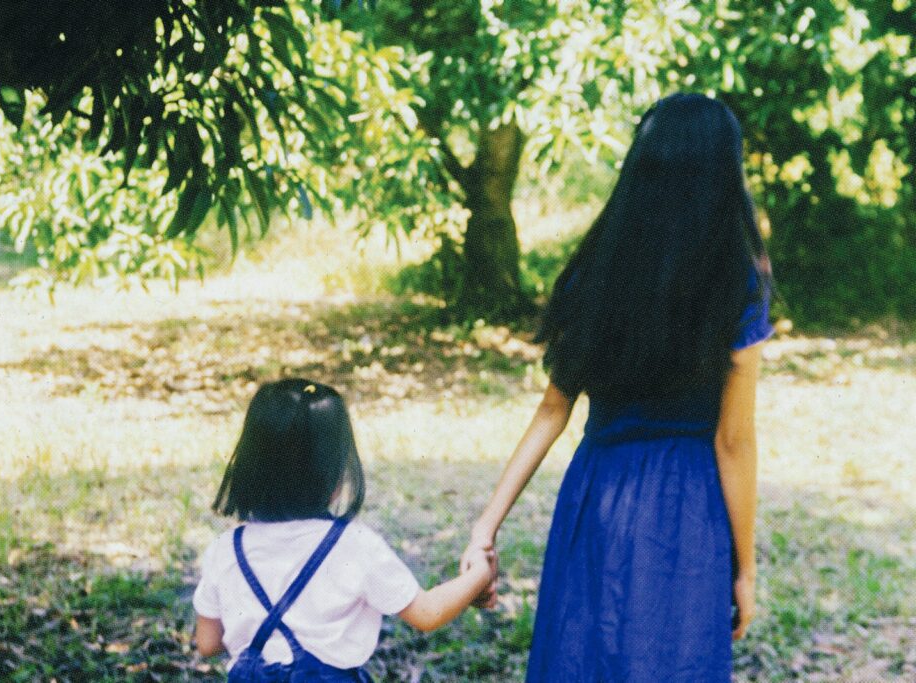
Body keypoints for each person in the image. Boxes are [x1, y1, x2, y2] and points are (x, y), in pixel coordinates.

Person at [461, 93, 774, 681]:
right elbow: (733, 443)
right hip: (688, 507)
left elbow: (553, 409)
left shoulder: (597, 268)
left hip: (597, 495)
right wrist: (745, 568)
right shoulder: (738, 280)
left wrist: (487, 526)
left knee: (584, 659)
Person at [194, 378, 495, 682]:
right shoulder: (354, 545)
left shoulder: (225, 549)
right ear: (335, 472)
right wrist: (478, 575)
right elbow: (428, 613)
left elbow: (207, 643)